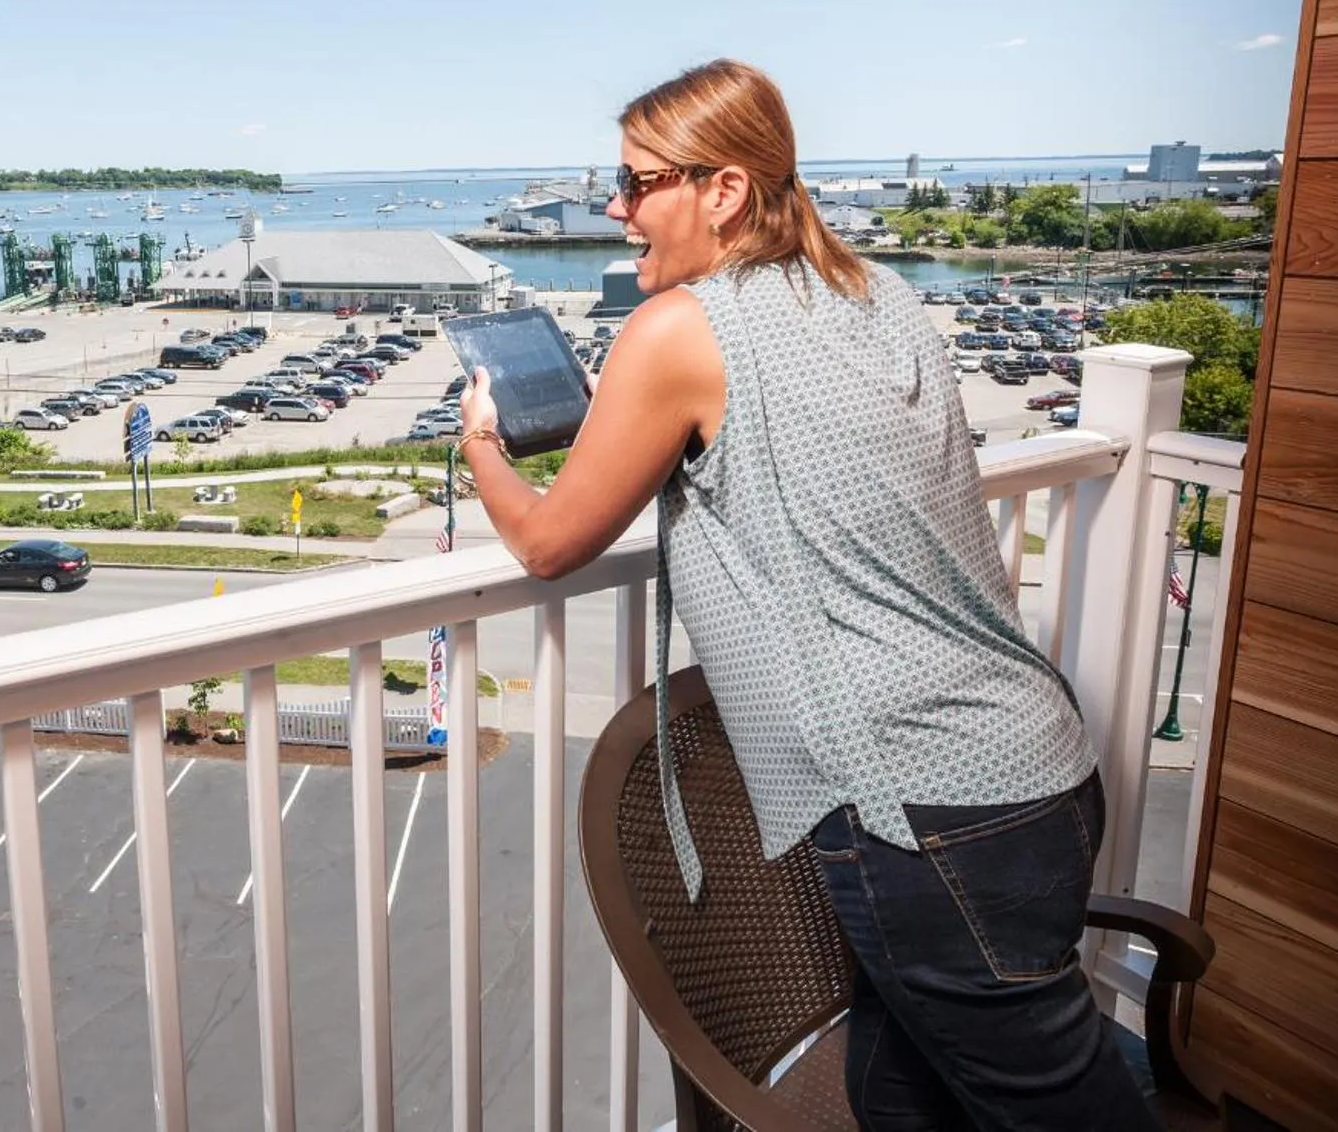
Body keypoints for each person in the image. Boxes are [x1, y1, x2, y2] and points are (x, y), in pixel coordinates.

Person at [455, 60, 1151, 1129]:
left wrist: (482, 447)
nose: (615, 208)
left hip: (926, 813)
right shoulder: (877, 291)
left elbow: (549, 543)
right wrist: (632, 413)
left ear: (723, 190)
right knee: (896, 1090)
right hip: (1038, 766)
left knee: (1063, 1112)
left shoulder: (677, 330)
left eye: (635, 181)